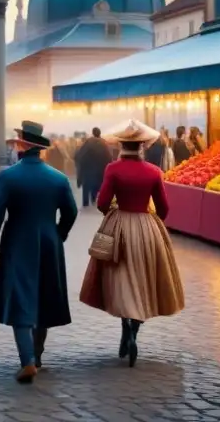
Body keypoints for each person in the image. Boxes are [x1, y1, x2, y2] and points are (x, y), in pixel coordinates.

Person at [79, 119, 185, 368]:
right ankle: (135, 331)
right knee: (145, 279)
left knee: (121, 277)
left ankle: (125, 326)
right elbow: (164, 208)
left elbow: (103, 202)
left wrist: (114, 212)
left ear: (121, 145)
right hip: (147, 228)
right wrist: (150, 220)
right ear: (142, 146)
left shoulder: (113, 170)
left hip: (120, 228)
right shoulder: (153, 172)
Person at [0, 121, 77, 382]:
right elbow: (71, 212)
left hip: (17, 241)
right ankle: (37, 354)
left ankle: (27, 360)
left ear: (23, 146)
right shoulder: (58, 178)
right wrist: (59, 234)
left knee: (20, 299)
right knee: (44, 297)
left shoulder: (8, 176)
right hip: (50, 241)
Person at [74, 127, 114, 208]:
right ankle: (94, 200)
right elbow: (109, 157)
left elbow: (81, 155)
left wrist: (81, 166)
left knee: (86, 186)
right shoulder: (104, 143)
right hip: (100, 170)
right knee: (97, 185)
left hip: (88, 169)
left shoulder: (88, 142)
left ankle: (85, 203)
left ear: (93, 133)